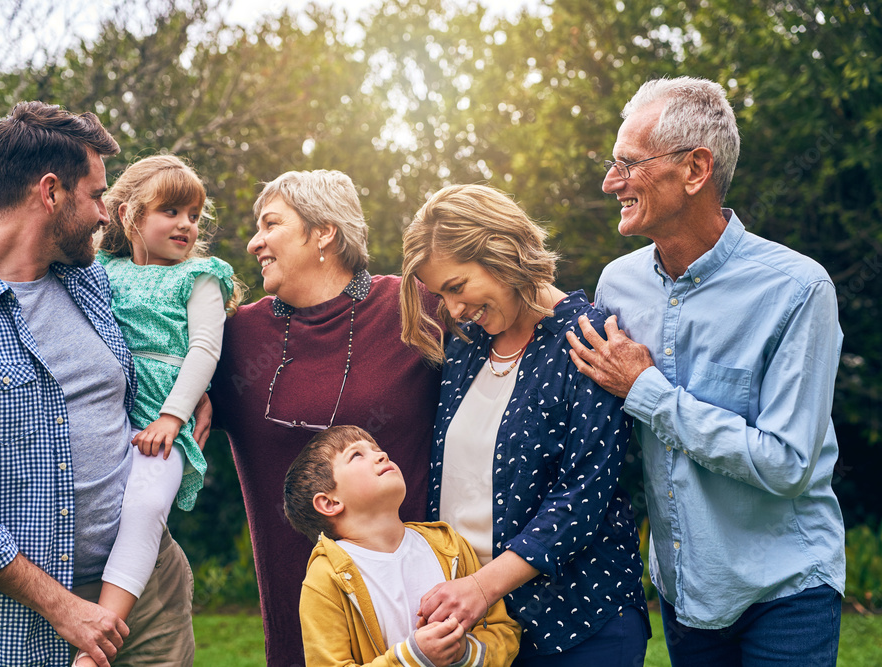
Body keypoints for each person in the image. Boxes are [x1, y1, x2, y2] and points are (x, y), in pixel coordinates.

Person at [0, 102, 195, 667]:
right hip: (28, 620)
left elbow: (160, 353)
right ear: (50, 192)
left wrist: (186, 398)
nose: (106, 215)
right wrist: (65, 610)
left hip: (146, 589)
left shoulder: (92, 281)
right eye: (96, 195)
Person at [566, 76, 846, 666]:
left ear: (694, 169)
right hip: (684, 594)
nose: (610, 182)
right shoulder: (617, 285)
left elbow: (788, 462)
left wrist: (647, 391)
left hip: (785, 588)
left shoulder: (797, 289)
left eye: (628, 163)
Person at [400, 184, 649, 666]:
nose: (452, 309)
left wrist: (479, 587)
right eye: (440, 294)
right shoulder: (466, 348)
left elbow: (583, 495)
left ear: (501, 253)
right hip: (482, 629)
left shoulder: (588, 337)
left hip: (578, 623)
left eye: (457, 286)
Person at [208, 169, 442, 667]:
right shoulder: (235, 338)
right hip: (297, 622)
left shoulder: (414, 307)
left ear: (323, 232)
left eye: (271, 224)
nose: (254, 243)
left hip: (421, 612)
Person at [66, 155, 242, 666]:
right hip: (111, 411)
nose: (187, 224)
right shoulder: (101, 270)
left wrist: (174, 415)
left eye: (194, 214)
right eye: (171, 211)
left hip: (167, 419)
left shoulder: (202, 276)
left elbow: (205, 350)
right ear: (128, 215)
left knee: (144, 508)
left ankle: (99, 638)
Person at [283, 425, 521, 666]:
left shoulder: (449, 545)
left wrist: (465, 653)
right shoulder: (324, 579)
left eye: (378, 449)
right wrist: (413, 658)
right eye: (357, 455)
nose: (382, 455)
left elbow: (504, 630)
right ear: (329, 503)